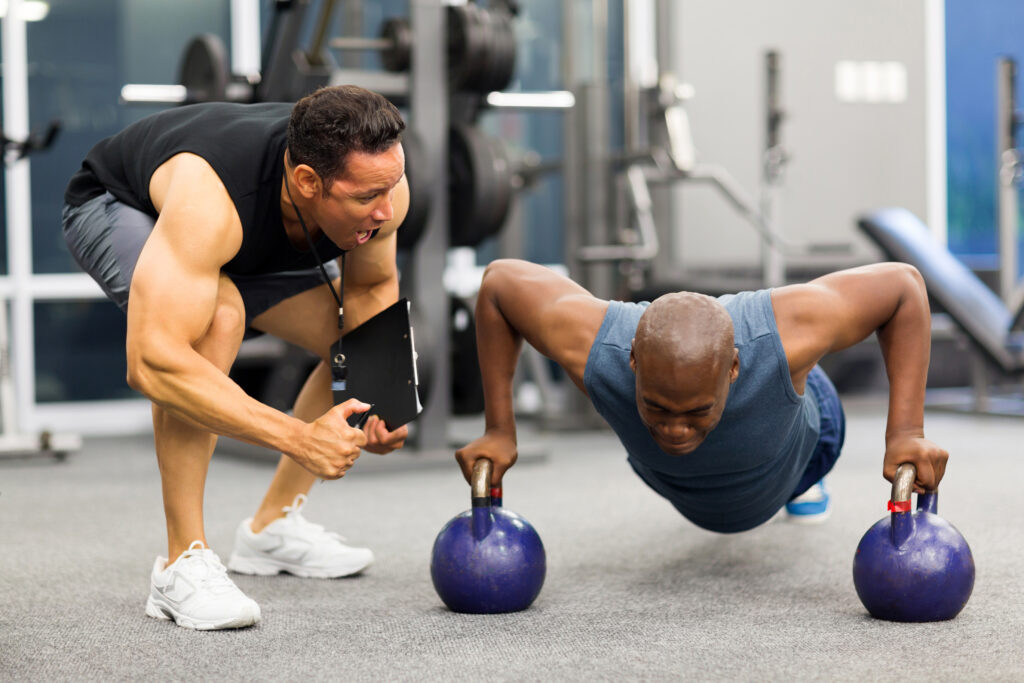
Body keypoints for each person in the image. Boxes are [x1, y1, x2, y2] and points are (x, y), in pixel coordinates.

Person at [62, 85, 411, 630]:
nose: (387, 210)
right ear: (307, 182)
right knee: (216, 320)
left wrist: (383, 395)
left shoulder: (380, 185)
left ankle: (271, 528)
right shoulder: (210, 195)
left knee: (351, 342)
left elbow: (372, 291)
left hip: (242, 240)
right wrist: (298, 436)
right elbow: (154, 362)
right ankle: (182, 563)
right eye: (369, 197)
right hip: (118, 205)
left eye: (392, 186)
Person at [455, 259, 949, 534]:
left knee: (800, 385)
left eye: (695, 413)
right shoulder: (594, 349)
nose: (674, 429)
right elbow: (499, 283)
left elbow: (903, 287)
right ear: (632, 362)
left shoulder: (783, 337)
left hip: (799, 452)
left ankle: (803, 483)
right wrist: (499, 429)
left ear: (733, 368)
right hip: (678, 483)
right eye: (657, 408)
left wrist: (906, 433)